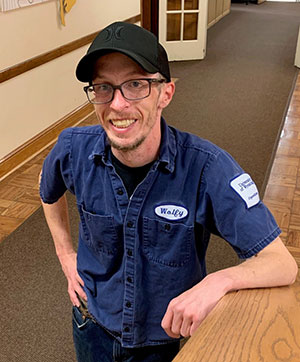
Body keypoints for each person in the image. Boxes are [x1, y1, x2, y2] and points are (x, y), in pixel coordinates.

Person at [39, 21, 298, 362]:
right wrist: (65, 254)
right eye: (103, 87)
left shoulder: (207, 168)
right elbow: (47, 190)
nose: (117, 104)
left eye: (135, 85)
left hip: (160, 344)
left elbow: (281, 264)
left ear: (166, 93)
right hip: (90, 325)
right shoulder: (73, 148)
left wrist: (217, 282)